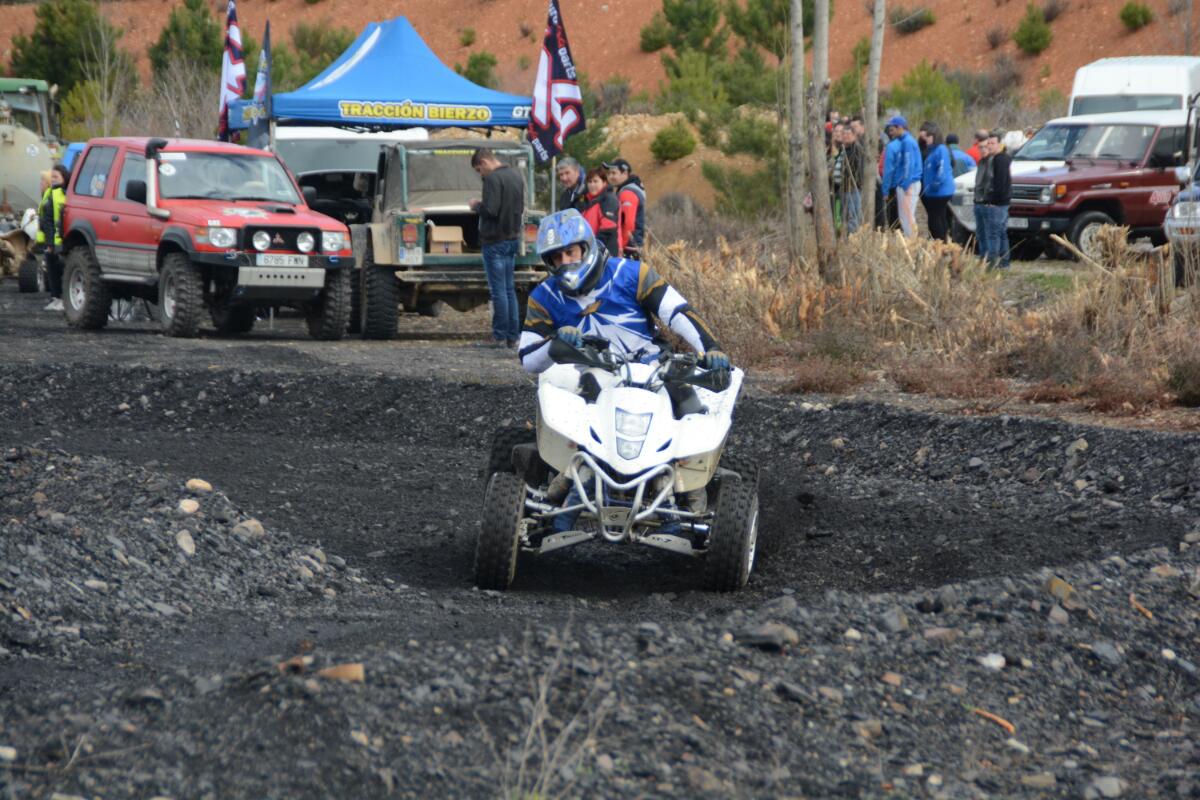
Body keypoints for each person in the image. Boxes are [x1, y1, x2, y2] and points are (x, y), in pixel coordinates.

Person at [518, 208, 727, 374]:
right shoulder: (543, 297)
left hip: (652, 367)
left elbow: (676, 312)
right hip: (589, 376)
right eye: (557, 257)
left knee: (687, 401)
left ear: (586, 247)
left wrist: (711, 349)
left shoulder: (631, 273)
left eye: (570, 253)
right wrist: (555, 342)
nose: (565, 262)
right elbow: (529, 361)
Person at [470, 148, 525, 347]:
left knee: (498, 291)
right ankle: (512, 335)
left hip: (495, 240)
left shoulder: (493, 179)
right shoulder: (515, 176)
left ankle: (499, 335)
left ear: (485, 162)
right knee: (509, 289)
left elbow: (491, 210)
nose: (480, 174)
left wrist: (476, 205)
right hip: (512, 238)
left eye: (478, 170)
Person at [973, 130, 1013, 269]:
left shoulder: (999, 159)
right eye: (988, 143)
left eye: (992, 143)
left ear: (1000, 144)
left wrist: (992, 201)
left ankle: (993, 263)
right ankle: (1003, 262)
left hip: (997, 204)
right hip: (996, 202)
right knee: (999, 233)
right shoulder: (990, 160)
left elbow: (999, 184)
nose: (989, 146)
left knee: (994, 234)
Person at [881, 116, 922, 239]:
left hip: (908, 185)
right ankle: (910, 243)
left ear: (900, 127)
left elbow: (908, 165)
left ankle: (912, 244)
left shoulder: (907, 142)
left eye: (892, 128)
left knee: (907, 217)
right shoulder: (907, 141)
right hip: (908, 183)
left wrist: (905, 184)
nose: (890, 132)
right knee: (905, 217)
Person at [37, 164, 68, 312]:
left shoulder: (64, 193)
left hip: (60, 241)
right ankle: (56, 298)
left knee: (59, 270)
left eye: (57, 177)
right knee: (52, 270)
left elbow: (49, 220)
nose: (54, 180)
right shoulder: (51, 194)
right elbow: (46, 220)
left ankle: (60, 298)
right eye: (52, 177)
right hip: (53, 241)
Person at [918, 122, 955, 241]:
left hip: (939, 192)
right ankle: (941, 241)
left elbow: (942, 169)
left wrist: (935, 184)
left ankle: (939, 241)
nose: (926, 140)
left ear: (935, 137)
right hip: (933, 192)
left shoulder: (941, 149)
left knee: (935, 219)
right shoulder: (932, 150)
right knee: (938, 217)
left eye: (928, 137)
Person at [604, 157, 646, 258]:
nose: (610, 176)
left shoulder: (627, 193)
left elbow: (628, 224)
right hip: (633, 245)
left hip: (629, 247)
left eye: (614, 173)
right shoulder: (627, 189)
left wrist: (620, 247)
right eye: (609, 173)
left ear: (625, 173)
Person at [576, 166, 621, 256]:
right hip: (590, 251)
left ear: (604, 182)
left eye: (596, 181)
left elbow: (608, 228)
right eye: (590, 182)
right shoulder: (586, 202)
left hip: (605, 252)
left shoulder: (608, 199)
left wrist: (593, 247)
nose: (592, 185)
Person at [840, 125, 866, 234]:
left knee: (853, 215)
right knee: (846, 216)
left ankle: (854, 239)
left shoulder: (857, 149)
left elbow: (859, 170)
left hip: (854, 189)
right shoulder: (844, 150)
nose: (846, 136)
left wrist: (854, 183)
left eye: (848, 134)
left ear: (855, 136)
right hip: (845, 189)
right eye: (844, 134)